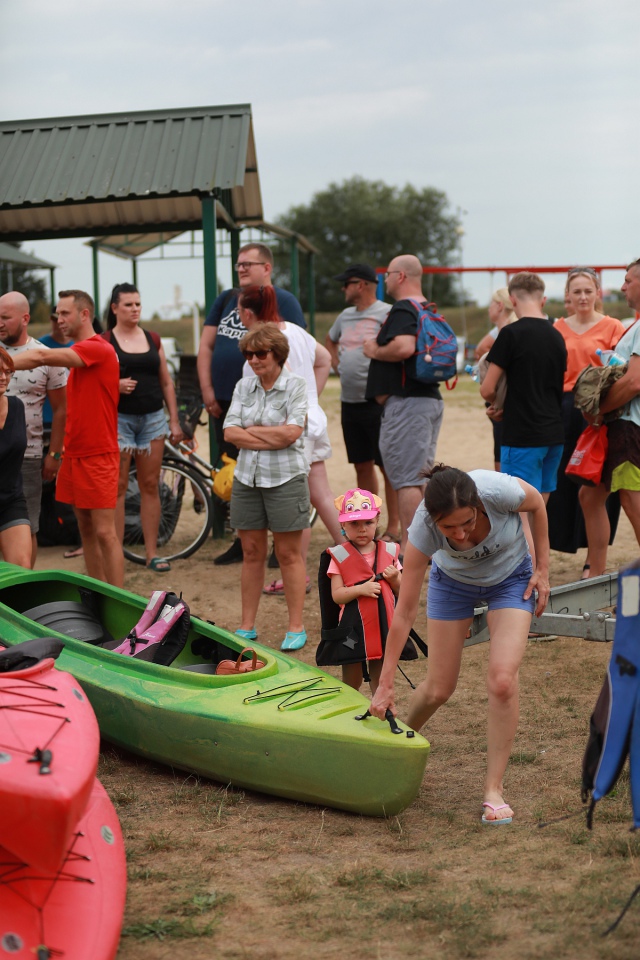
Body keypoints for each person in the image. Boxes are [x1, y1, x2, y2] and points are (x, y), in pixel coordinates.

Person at [370, 465, 550, 824]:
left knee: (502, 680)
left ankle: (493, 791)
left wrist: (542, 568)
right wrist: (385, 683)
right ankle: (397, 744)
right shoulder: (421, 531)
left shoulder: (498, 491)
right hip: (452, 584)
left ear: (478, 505)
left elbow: (537, 506)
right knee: (438, 688)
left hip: (511, 578)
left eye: (466, 522)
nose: (461, 535)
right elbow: (404, 613)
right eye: (449, 528)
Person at [197, 242, 306, 566]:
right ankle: (241, 536)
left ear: (267, 268)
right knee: (233, 470)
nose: (241, 268)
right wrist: (207, 388)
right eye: (239, 264)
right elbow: (206, 345)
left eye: (249, 263)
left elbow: (297, 349)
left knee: (272, 469)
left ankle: (279, 543)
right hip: (228, 399)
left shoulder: (284, 301)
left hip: (270, 398)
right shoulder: (227, 299)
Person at [236, 284, 343, 594]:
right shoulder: (296, 331)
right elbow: (324, 360)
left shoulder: (257, 351)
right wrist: (311, 397)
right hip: (310, 419)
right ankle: (357, 559)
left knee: (298, 500)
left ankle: (297, 573)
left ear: (246, 313)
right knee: (319, 496)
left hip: (287, 428)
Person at [12, 290, 123, 587]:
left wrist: (5, 362)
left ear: (84, 315)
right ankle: (100, 595)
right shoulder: (80, 351)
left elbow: (40, 356)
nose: (58, 320)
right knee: (84, 528)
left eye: (64, 313)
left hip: (99, 453)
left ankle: (122, 600)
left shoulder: (97, 347)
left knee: (105, 532)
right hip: (74, 454)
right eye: (57, 314)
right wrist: (59, 453)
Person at [223, 323, 310, 651]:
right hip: (247, 478)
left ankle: (296, 626)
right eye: (249, 354)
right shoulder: (244, 386)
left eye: (261, 353)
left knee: (288, 553)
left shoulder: (295, 385)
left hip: (286, 478)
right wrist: (269, 433)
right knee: (251, 552)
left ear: (278, 354)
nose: (254, 359)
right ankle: (247, 625)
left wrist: (251, 430)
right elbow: (229, 432)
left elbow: (292, 434)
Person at [364, 255, 445, 555]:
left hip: (408, 406)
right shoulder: (427, 308)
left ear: (400, 276)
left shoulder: (403, 309)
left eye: (387, 274)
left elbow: (403, 347)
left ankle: (412, 550)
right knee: (419, 477)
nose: (384, 280)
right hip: (426, 402)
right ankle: (424, 546)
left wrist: (372, 348)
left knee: (408, 480)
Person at [546, 268, 624, 576]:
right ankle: (560, 544)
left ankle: (594, 560)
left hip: (599, 409)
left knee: (596, 484)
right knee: (564, 480)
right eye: (576, 291)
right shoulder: (557, 327)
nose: (582, 297)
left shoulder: (613, 326)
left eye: (587, 291)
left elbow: (620, 370)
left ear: (597, 293)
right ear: (567, 295)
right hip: (564, 407)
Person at [101, 283, 183, 572]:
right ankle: (116, 553)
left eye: (138, 304)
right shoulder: (105, 341)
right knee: (119, 487)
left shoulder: (153, 338)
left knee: (150, 485)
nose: (135, 309)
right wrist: (115, 385)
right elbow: (92, 384)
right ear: (114, 308)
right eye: (128, 305)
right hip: (119, 419)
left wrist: (173, 419)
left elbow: (165, 381)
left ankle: (152, 554)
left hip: (152, 419)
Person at [480, 273, 567, 520]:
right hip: (553, 433)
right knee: (540, 508)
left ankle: (526, 560)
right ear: (543, 300)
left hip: (521, 434)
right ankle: (541, 560)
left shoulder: (510, 334)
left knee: (518, 514)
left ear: (512, 299)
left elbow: (487, 389)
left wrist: (496, 406)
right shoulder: (557, 335)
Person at [326, 263, 400, 541]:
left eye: (346, 283)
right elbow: (329, 340)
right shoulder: (344, 316)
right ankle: (367, 524)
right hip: (350, 402)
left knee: (387, 467)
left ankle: (393, 528)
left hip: (377, 404)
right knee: (362, 464)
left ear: (361, 285)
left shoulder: (387, 312)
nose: (343, 288)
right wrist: (338, 365)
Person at [0, 292, 68, 566]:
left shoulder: (46, 355)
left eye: (5, 317)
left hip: (26, 454)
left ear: (25, 318)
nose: (0, 323)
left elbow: (62, 409)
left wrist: (54, 454)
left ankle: (25, 586)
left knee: (27, 527)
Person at [321, 488, 403, 692]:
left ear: (377, 521)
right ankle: (350, 716)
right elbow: (336, 595)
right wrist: (361, 589)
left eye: (368, 523)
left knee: (380, 678)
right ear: (343, 525)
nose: (362, 529)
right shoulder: (339, 557)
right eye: (354, 524)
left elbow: (402, 592)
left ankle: (380, 713)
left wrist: (395, 579)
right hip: (352, 632)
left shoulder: (390, 552)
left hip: (382, 629)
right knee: (351, 679)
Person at [598, 258, 640, 545]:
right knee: (590, 495)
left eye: (629, 280)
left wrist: (598, 408)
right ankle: (594, 565)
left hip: (630, 426)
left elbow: (634, 381)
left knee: (631, 496)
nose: (623, 287)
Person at [473, 288, 518, 471]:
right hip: (505, 402)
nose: (488, 309)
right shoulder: (506, 328)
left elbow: (480, 348)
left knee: (504, 460)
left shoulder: (506, 331)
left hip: (504, 404)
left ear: (499, 305)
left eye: (491, 304)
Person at [0, 346, 31, 568]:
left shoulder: (16, 406)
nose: (3, 377)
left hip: (10, 498)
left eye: (8, 371)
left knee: (21, 568)